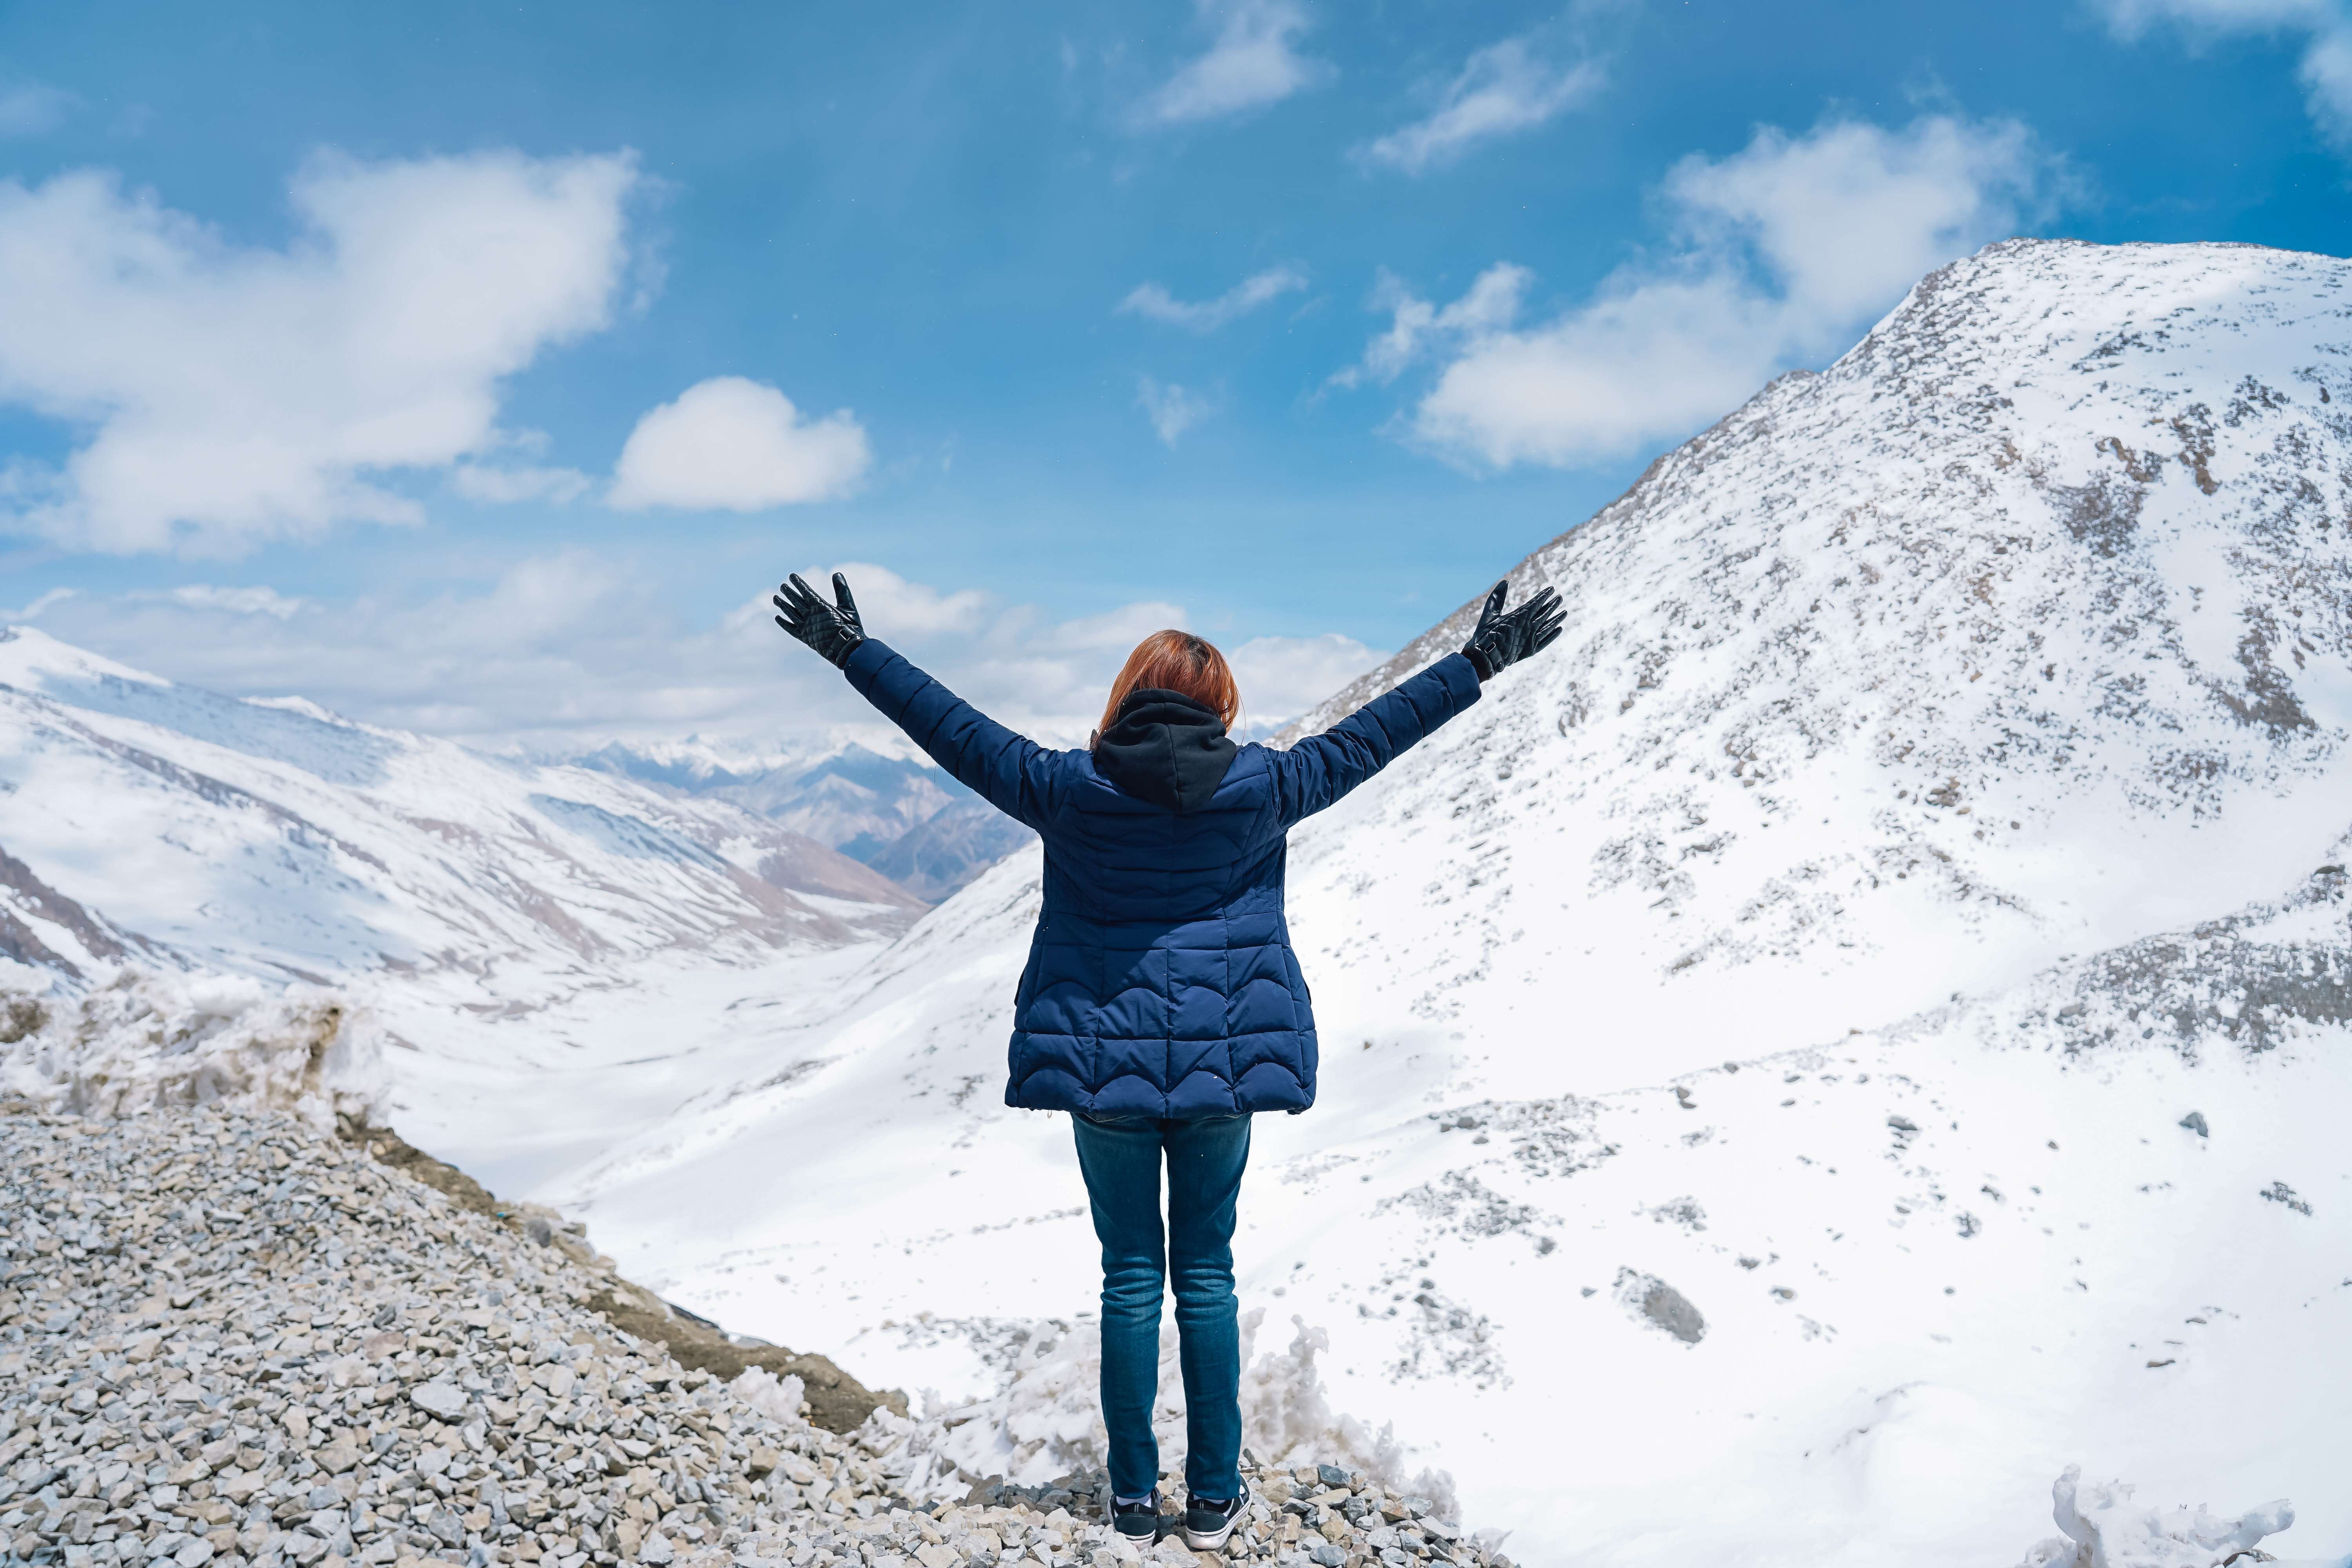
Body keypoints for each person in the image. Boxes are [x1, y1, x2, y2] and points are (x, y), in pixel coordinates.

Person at [772, 571, 1563, 1546]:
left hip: (1104, 1072)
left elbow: (955, 730)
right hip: (1222, 1073)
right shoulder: (1266, 785)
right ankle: (1216, 1498)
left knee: (1129, 1278)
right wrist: (1480, 659)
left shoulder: (1070, 786)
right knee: (1209, 1277)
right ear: (1219, 705)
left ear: (1125, 696)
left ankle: (1135, 1500)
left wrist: (854, 650)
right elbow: (1378, 734)